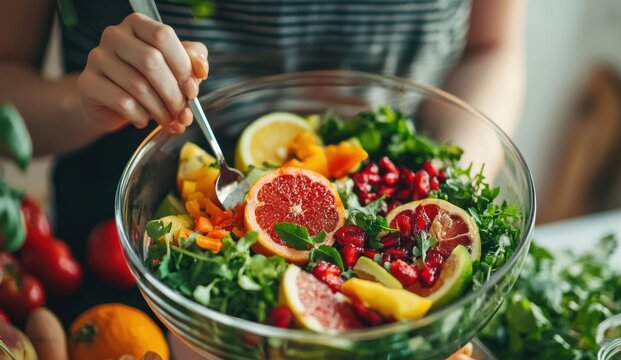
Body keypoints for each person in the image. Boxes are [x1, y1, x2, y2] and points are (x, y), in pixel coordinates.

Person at [0, 0, 524, 330]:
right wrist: (90, 103)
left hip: (392, 190)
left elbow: (491, 48)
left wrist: (438, 187)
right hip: (130, 260)